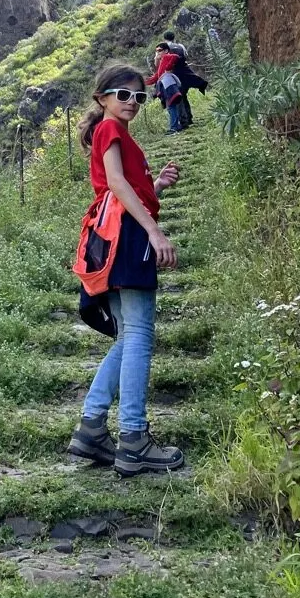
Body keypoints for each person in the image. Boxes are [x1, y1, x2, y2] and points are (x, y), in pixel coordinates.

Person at [68, 65, 185, 476]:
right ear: (102, 98)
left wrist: (159, 188)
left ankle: (92, 428)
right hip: (128, 233)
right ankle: (133, 438)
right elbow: (116, 185)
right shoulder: (109, 129)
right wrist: (155, 232)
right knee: (138, 333)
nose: (132, 102)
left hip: (115, 231)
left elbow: (127, 189)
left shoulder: (119, 135)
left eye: (139, 97)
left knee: (128, 334)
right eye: (123, 94)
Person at [148, 42, 183, 133]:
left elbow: (175, 56)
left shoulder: (167, 57)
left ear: (166, 50)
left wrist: (168, 67)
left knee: (171, 106)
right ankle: (176, 125)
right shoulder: (162, 61)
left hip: (169, 84)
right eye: (156, 51)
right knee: (171, 106)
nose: (157, 53)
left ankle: (174, 127)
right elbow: (157, 76)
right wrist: (145, 82)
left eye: (159, 50)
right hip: (164, 85)